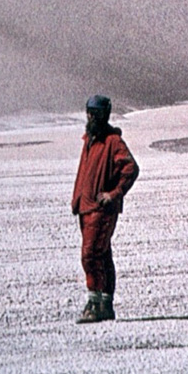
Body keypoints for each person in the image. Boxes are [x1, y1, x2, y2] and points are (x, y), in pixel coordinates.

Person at [71, 94, 139, 323]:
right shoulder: (89, 140)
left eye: (95, 113)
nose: (90, 116)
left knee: (90, 255)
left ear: (104, 115)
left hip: (101, 209)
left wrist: (113, 194)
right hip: (86, 207)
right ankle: (105, 304)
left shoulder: (112, 142)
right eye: (88, 112)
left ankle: (95, 304)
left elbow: (131, 168)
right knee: (102, 254)